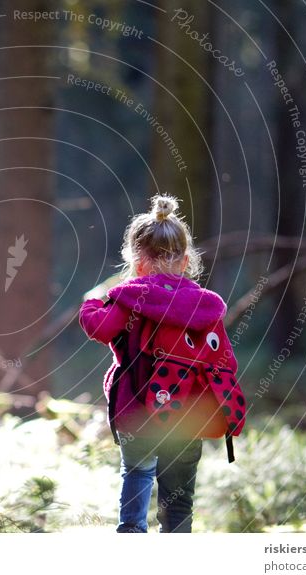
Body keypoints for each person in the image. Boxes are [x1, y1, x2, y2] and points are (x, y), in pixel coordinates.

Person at [79, 194, 231, 533]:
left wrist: (91, 304)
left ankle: (132, 535)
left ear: (137, 259)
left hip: (136, 409)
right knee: (179, 501)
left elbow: (100, 329)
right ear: (185, 259)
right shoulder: (205, 306)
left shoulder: (131, 297)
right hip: (188, 414)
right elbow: (222, 360)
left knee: (138, 473)